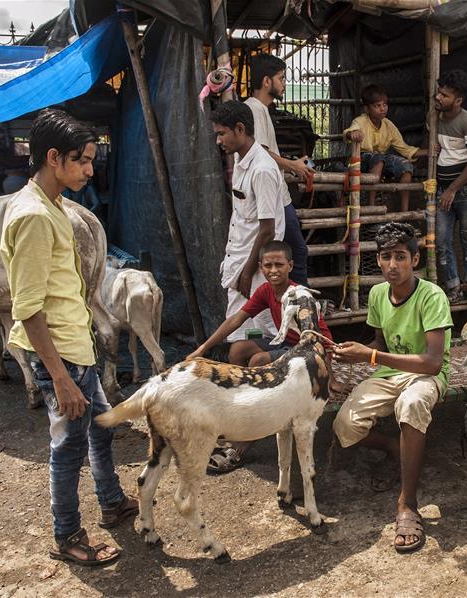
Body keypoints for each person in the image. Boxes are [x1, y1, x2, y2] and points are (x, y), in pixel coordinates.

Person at [0, 109, 137, 567]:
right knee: (68, 446)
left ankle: (112, 502)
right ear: (53, 158)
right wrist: (59, 378)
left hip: (77, 347)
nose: (89, 170)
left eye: (92, 160)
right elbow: (28, 307)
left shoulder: (54, 205)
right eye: (81, 160)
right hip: (59, 355)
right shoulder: (35, 217)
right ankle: (67, 535)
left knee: (101, 428)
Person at [333, 222, 453, 554]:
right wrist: (351, 355)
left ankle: (407, 504)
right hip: (389, 374)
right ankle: (393, 446)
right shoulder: (376, 294)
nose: (392, 265)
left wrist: (370, 354)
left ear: (415, 260)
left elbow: (431, 362)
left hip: (426, 377)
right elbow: (379, 343)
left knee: (412, 405)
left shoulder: (432, 296)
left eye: (400, 256)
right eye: (386, 257)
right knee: (344, 425)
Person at [187, 240, 334, 473]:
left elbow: (315, 339)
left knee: (258, 361)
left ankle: (247, 437)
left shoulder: (297, 294)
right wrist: (202, 349)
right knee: (237, 349)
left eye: (279, 265)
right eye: (268, 265)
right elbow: (236, 319)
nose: (273, 270)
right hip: (287, 344)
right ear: (260, 267)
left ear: (290, 266)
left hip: (312, 351)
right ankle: (244, 407)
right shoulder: (266, 290)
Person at [211, 100, 287, 343]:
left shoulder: (262, 169)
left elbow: (267, 229)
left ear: (240, 129)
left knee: (259, 336)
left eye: (222, 133)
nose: (218, 141)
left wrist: (248, 270)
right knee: (242, 337)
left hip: (254, 271)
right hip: (241, 263)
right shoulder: (243, 164)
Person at [245, 53, 311, 286]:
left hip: (277, 194)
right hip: (273, 197)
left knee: (289, 253)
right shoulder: (254, 109)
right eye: (281, 78)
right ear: (266, 81)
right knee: (297, 252)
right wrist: (292, 165)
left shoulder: (260, 109)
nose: (284, 83)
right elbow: (261, 151)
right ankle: (303, 305)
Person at [433, 70, 467, 307]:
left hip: (466, 191)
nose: (438, 97)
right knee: (442, 241)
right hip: (443, 189)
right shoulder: (433, 117)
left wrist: (452, 189)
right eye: (439, 92)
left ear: (458, 100)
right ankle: (453, 287)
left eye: (444, 95)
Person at [344, 84, 427, 211]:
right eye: (377, 106)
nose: (382, 109)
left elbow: (404, 148)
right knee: (378, 158)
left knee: (406, 165)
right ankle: (372, 205)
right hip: (362, 159)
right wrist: (352, 133)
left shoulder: (389, 125)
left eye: (384, 105)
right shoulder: (360, 121)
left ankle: (404, 212)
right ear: (367, 109)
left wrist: (427, 152)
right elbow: (349, 132)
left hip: (381, 159)